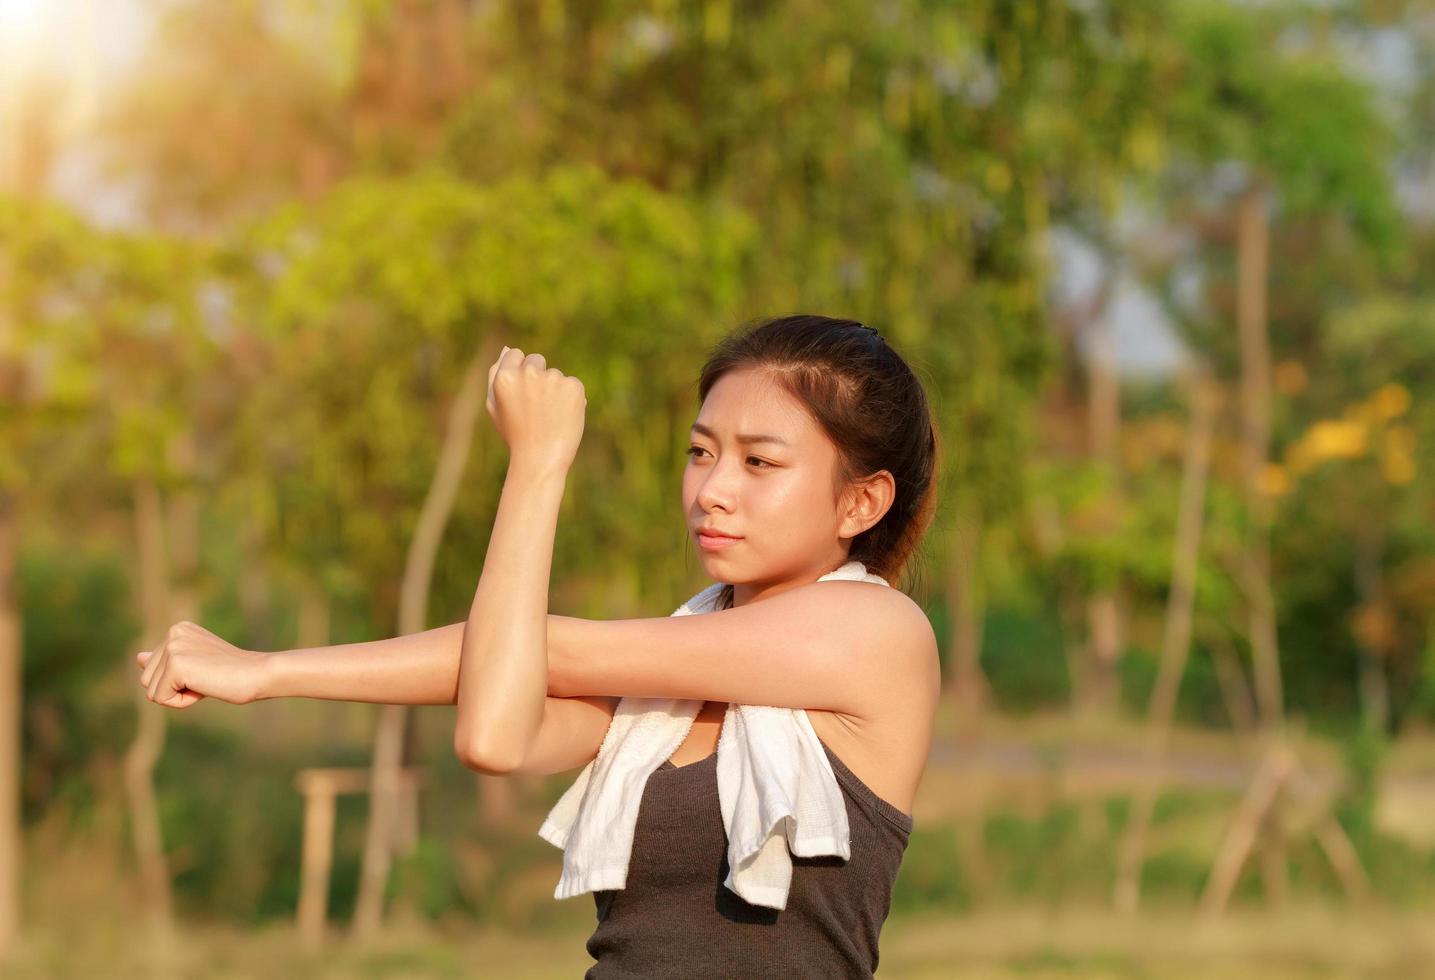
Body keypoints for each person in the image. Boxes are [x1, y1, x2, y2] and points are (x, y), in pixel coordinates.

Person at [136, 313, 942, 977]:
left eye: (759, 462)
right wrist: (263, 672)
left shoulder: (877, 635)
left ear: (860, 503)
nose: (711, 490)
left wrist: (538, 462)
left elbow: (542, 647)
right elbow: (495, 730)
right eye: (700, 453)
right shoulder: (660, 690)